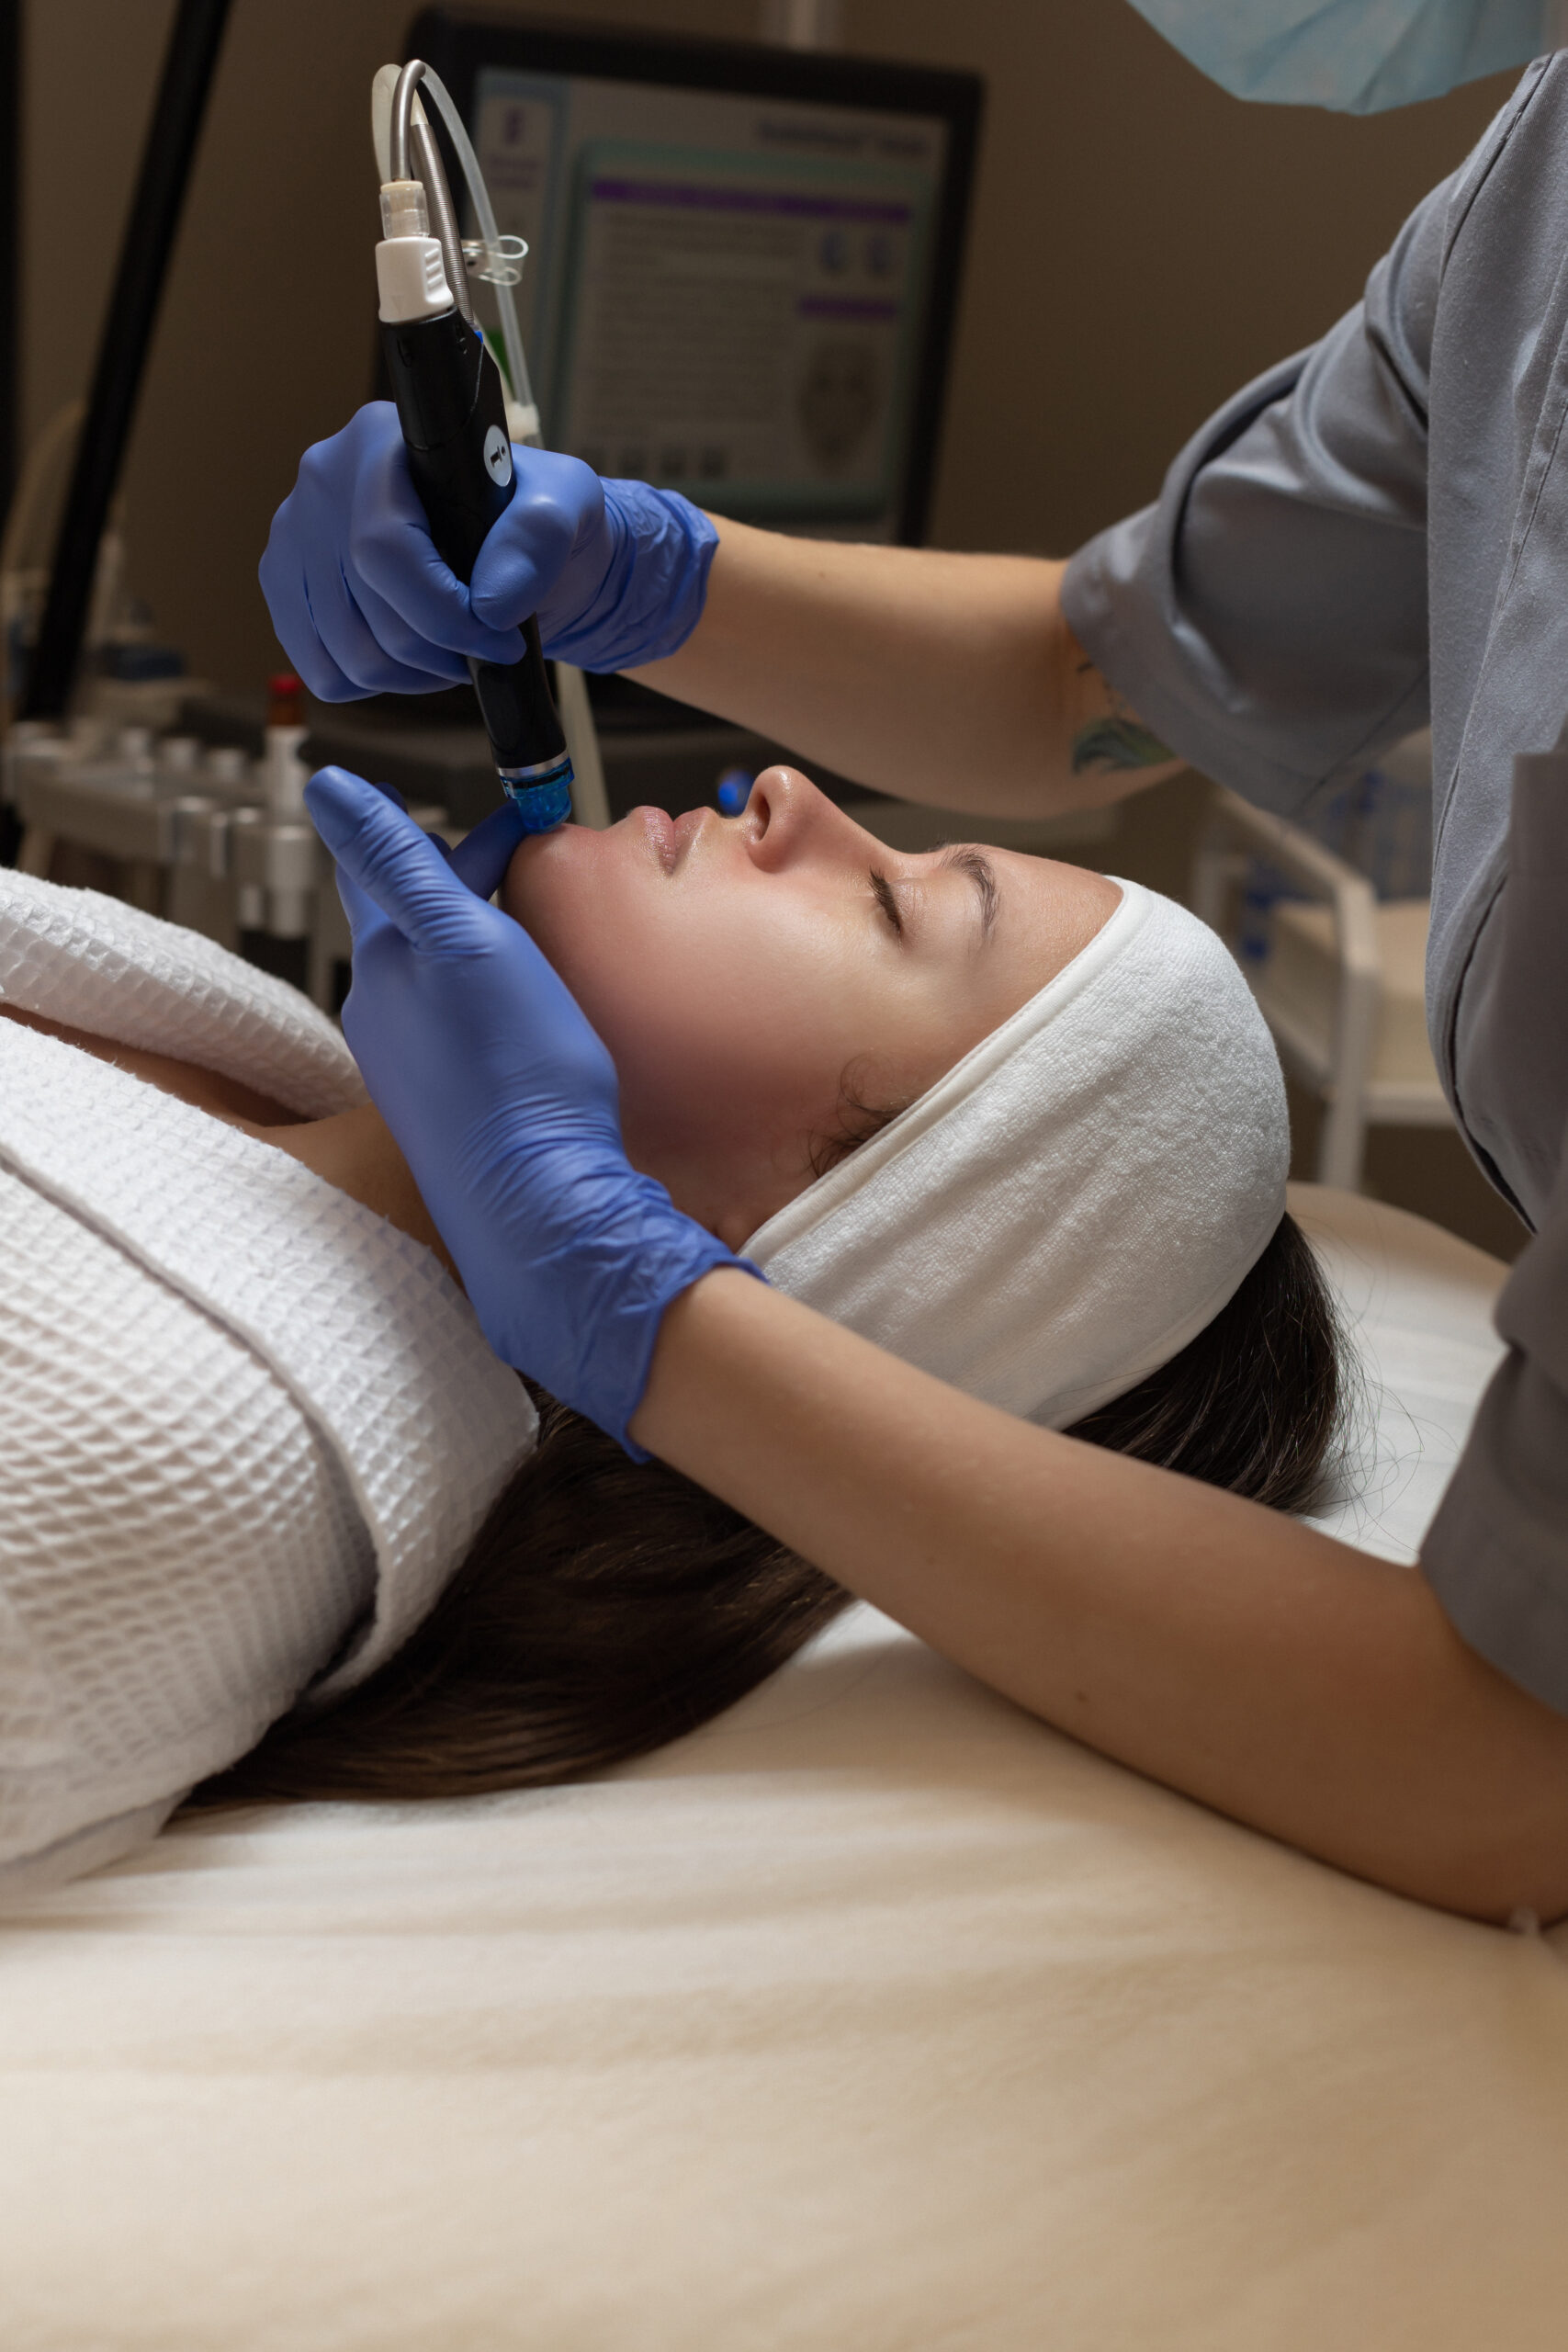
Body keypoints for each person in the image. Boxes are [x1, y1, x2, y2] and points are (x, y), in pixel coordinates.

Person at [260, 9, 1568, 1923]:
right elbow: (1104, 674)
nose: (789, 788)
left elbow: (1510, 1764)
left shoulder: (210, 1421)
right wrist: (653, 571)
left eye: (899, 910)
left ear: (824, 1235)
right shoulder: (1529, 200)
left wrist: (653, 1322)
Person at [0, 795, 1337, 1824]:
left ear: (798, 1243)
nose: (789, 795)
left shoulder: (165, 1445)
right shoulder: (244, 1048)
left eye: (888, 906)